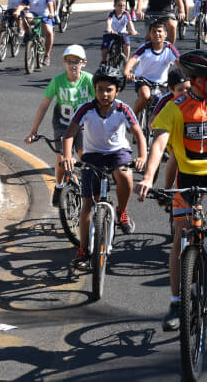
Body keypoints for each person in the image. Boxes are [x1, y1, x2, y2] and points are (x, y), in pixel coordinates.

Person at [135, 50, 207, 331]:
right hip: (186, 177)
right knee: (180, 238)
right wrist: (149, 177)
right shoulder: (175, 106)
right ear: (197, 81)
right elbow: (160, 144)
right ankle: (175, 301)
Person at [64, 65, 146, 269]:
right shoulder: (86, 108)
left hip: (118, 152)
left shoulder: (123, 108)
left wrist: (142, 156)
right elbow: (70, 133)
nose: (104, 94)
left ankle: (122, 211)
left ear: (117, 90)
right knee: (87, 206)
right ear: (95, 90)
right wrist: (68, 156)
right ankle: (83, 249)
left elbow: (138, 134)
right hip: (93, 156)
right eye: (100, 89)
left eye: (109, 89)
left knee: (125, 176)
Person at [25, 44, 94, 207]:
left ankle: (87, 186)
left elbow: (100, 102)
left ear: (83, 63)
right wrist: (33, 131)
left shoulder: (88, 80)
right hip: (62, 123)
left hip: (83, 124)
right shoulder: (57, 81)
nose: (72, 65)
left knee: (84, 156)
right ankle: (59, 185)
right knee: (62, 158)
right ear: (64, 63)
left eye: (76, 61)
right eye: (69, 61)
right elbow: (44, 106)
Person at [124, 19, 180, 118]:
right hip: (143, 79)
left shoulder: (169, 48)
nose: (157, 34)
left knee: (167, 105)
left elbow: (180, 63)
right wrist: (127, 71)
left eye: (159, 31)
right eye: (154, 31)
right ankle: (133, 118)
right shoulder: (145, 47)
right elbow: (133, 59)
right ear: (150, 34)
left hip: (162, 83)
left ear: (165, 34)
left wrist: (189, 74)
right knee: (145, 96)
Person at [150, 67, 191, 192]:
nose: (185, 92)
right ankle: (167, 189)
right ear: (171, 90)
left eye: (188, 89)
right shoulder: (166, 100)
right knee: (174, 156)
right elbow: (152, 121)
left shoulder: (194, 98)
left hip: (188, 133)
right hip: (169, 133)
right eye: (180, 90)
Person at [17, 0, 57, 65]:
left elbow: (50, 4)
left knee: (49, 32)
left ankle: (47, 55)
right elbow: (23, 5)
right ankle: (27, 35)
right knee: (26, 16)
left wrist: (51, 13)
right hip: (33, 14)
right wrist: (17, 11)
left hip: (45, 16)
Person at [100, 0, 137, 64]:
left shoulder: (126, 14)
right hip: (111, 32)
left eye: (123, 5)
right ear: (115, 6)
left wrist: (133, 30)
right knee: (105, 47)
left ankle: (126, 61)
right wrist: (109, 28)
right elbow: (109, 21)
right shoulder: (111, 14)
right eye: (119, 5)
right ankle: (104, 61)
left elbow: (130, 22)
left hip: (122, 33)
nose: (122, 7)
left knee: (127, 44)